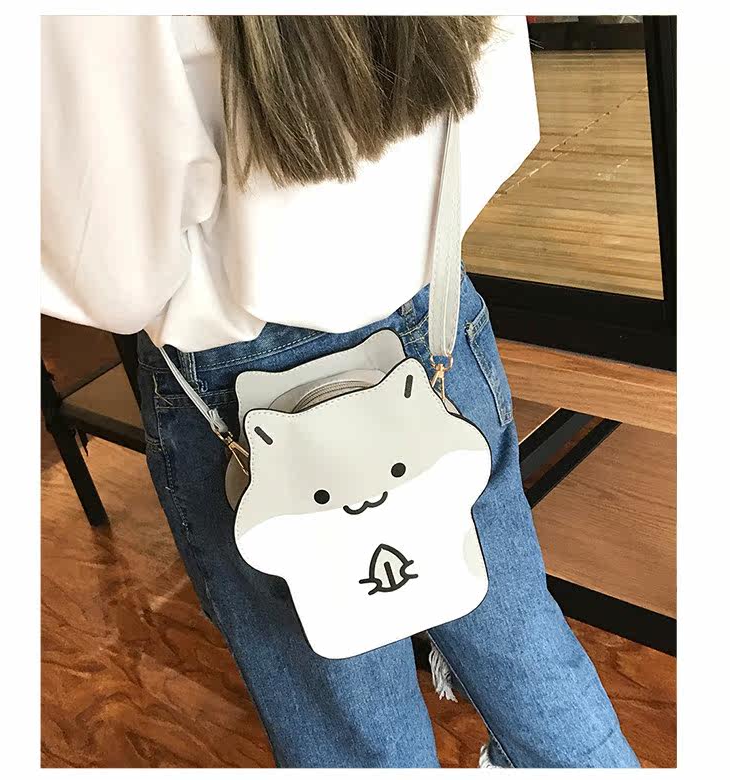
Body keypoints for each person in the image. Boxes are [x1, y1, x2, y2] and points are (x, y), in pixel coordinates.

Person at [41, 15, 640, 769]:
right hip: (432, 320)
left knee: (351, 729)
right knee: (521, 642)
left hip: (239, 383)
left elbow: (115, 274)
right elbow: (501, 109)